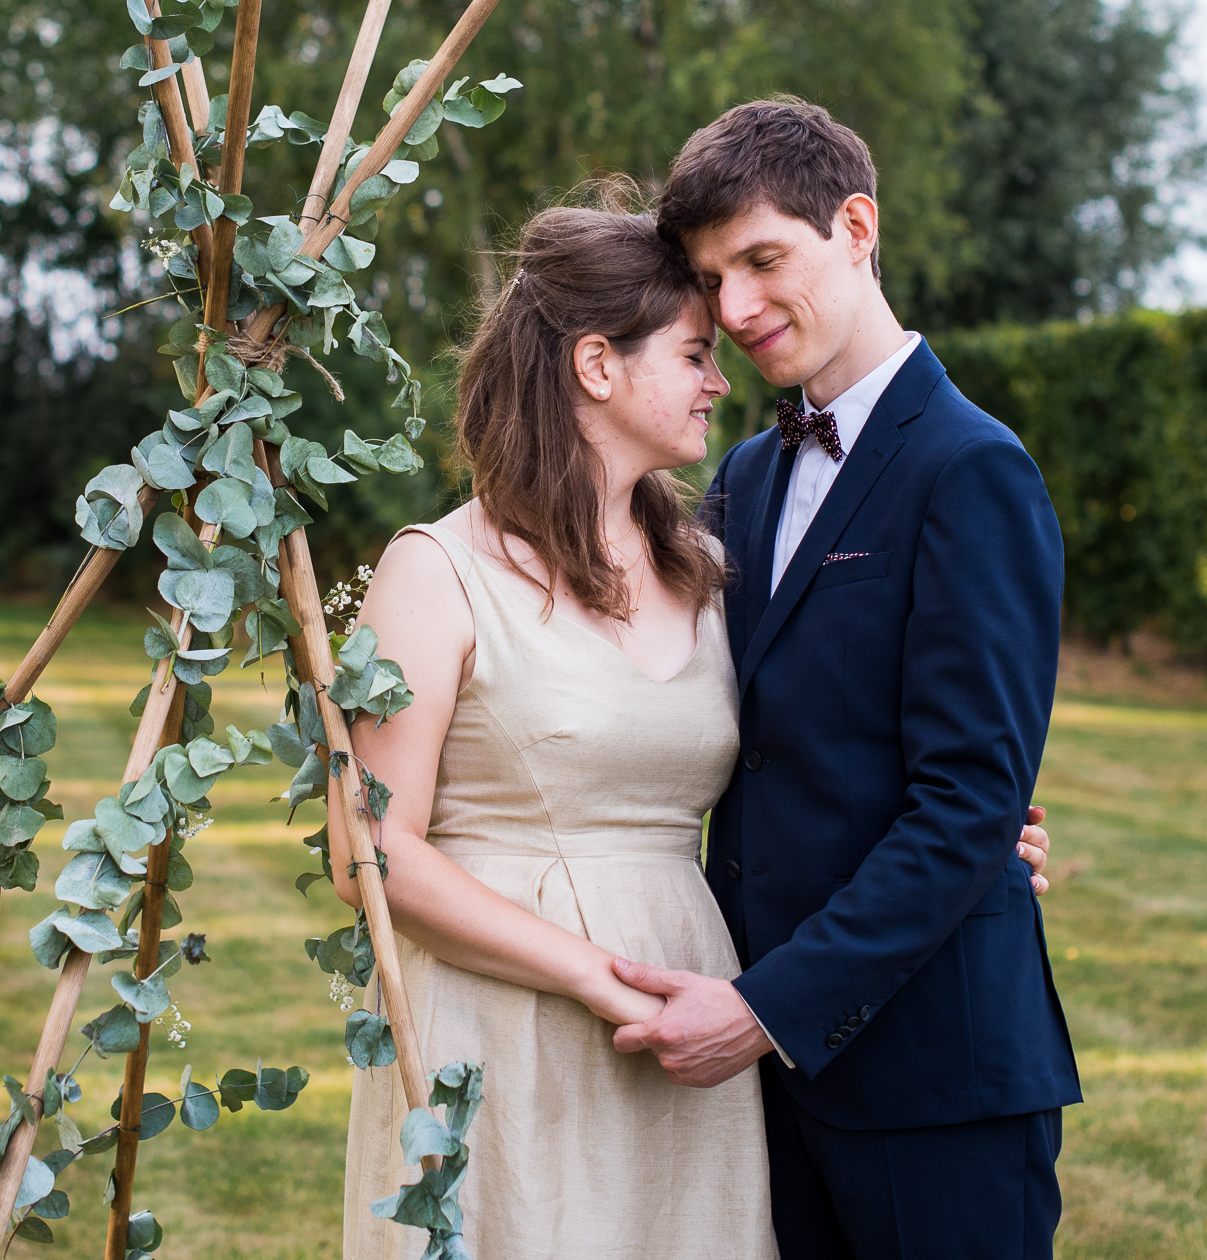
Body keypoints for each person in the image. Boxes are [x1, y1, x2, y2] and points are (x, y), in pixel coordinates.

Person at [330, 185, 1054, 1259]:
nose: (726, 371)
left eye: (754, 276)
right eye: (693, 342)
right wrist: (591, 971)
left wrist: (987, 829)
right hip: (519, 1015)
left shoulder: (703, 558)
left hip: (705, 1013)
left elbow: (855, 741)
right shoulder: (450, 566)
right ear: (594, 365)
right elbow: (369, 844)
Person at [611, 98, 1082, 1258]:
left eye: (763, 259)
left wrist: (767, 1006)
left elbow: (966, 798)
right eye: (713, 279)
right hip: (773, 1087)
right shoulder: (748, 476)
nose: (734, 309)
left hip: (935, 1078)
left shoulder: (973, 470)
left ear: (855, 226)